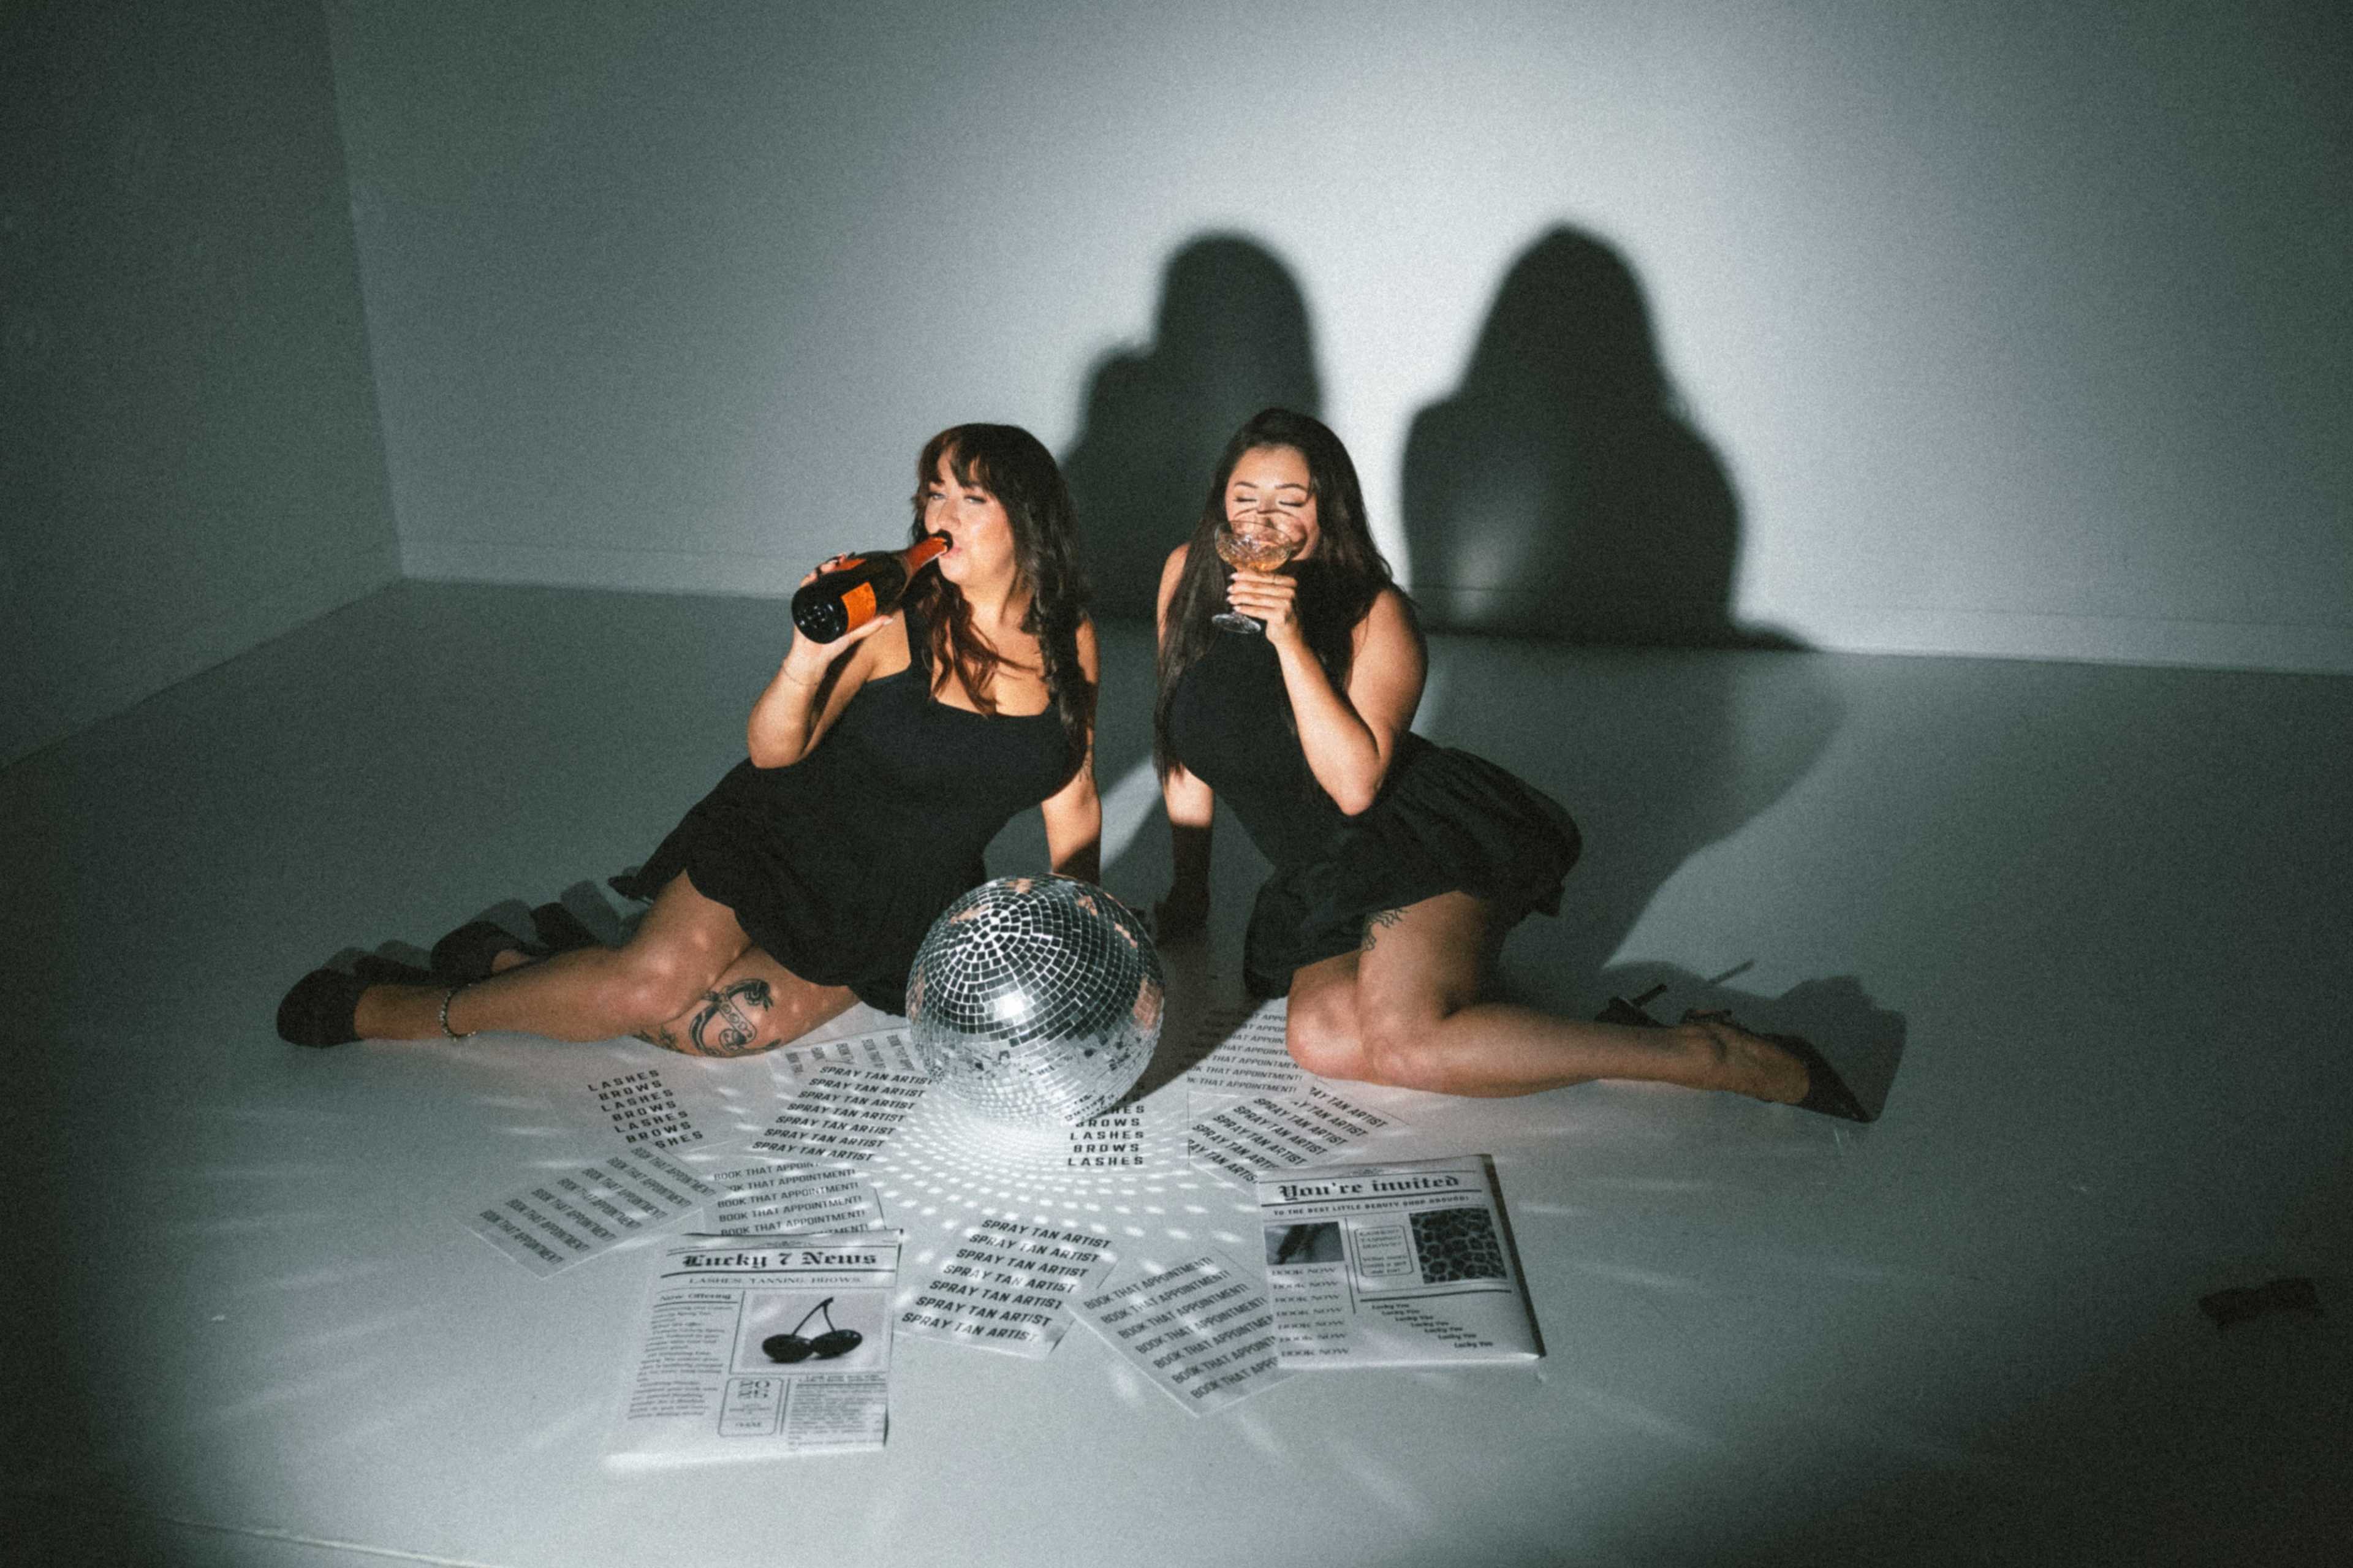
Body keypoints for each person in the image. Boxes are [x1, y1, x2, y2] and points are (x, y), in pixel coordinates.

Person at [277, 423, 1101, 1056]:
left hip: (892, 909)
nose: (940, 516)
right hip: (785, 846)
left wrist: (1081, 927)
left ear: (1027, 520)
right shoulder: (895, 625)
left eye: (970, 498)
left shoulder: (1070, 639)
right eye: (932, 494)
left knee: (712, 1033)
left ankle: (508, 961)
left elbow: (1070, 787)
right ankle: (398, 1006)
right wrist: (804, 658)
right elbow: (777, 753)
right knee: (646, 989)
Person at [1153, 408, 1869, 1118]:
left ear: (1329, 510)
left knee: (1405, 1047)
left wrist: (1290, 640)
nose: (1262, 523)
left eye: (1291, 502)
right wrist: (1190, 891)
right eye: (1244, 498)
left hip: (1418, 845)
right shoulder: (1187, 577)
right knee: (1321, 1039)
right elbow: (1186, 741)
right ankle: (1551, 1027)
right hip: (1325, 874)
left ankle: (1713, 1057)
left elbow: (1354, 787)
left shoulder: (1378, 614)